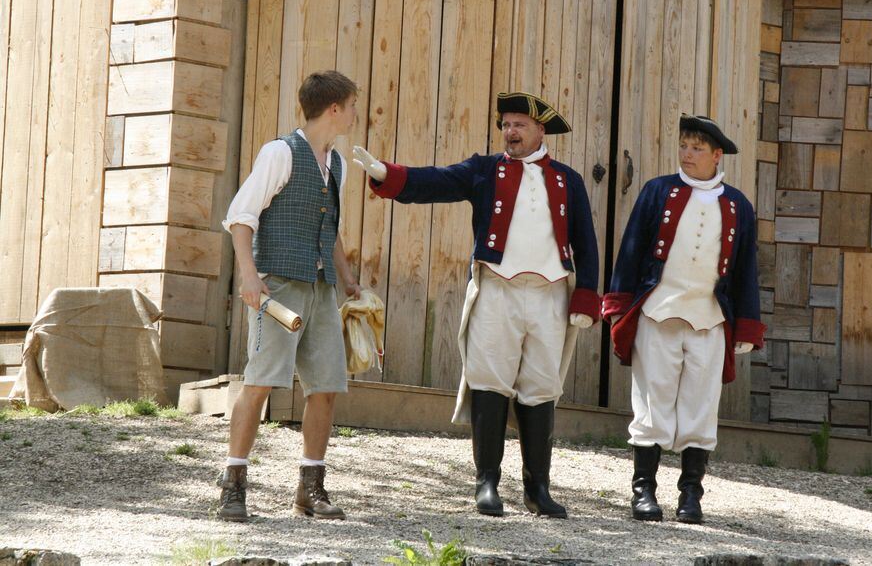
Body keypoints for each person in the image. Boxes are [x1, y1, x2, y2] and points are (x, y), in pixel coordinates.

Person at [352, 92, 600, 518]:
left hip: (549, 297)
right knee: (489, 380)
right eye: (506, 124)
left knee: (541, 386)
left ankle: (537, 489)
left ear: (541, 130)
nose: (511, 131)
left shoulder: (567, 180)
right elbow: (439, 180)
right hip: (497, 288)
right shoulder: (486, 170)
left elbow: (587, 242)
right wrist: (386, 176)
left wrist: (587, 295)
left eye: (520, 124)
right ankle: (487, 483)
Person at [601, 114, 765, 524]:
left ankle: (691, 496)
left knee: (700, 408)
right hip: (659, 313)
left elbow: (746, 269)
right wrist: (618, 303)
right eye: (684, 146)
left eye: (696, 148)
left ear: (716, 155)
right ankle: (644, 493)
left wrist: (746, 323)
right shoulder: (658, 191)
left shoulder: (738, 205)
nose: (687, 154)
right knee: (651, 404)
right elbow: (632, 248)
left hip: (710, 320)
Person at [217, 70, 362, 522]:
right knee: (260, 382)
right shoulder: (281, 152)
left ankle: (309, 489)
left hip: (321, 290)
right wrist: (249, 277)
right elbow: (241, 217)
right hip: (278, 287)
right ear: (334, 108)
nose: (356, 112)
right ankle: (233, 485)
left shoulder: (335, 161)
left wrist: (348, 278)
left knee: (326, 388)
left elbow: (329, 229)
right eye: (353, 104)